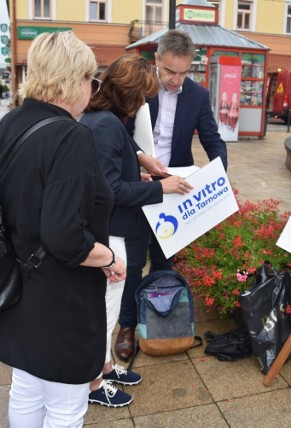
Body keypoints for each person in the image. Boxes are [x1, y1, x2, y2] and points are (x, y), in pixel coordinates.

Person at [0, 31, 126, 427]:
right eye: (92, 79)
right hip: (59, 297)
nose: (93, 88)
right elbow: (65, 238)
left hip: (10, 285)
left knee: (27, 386)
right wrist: (108, 257)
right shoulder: (71, 136)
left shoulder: (7, 124)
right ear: (75, 79)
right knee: (66, 403)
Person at [80, 54, 192, 407]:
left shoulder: (105, 120)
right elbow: (110, 191)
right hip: (111, 232)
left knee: (108, 307)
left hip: (113, 229)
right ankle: (94, 385)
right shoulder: (107, 126)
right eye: (142, 96)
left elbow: (110, 177)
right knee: (106, 310)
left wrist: (138, 170)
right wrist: (163, 187)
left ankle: (106, 366)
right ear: (128, 94)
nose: (144, 103)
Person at [115, 29, 228, 361]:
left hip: (176, 189)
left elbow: (212, 138)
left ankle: (160, 318)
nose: (177, 80)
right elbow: (119, 131)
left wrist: (220, 173)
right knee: (133, 261)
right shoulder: (138, 87)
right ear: (156, 62)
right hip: (139, 184)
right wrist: (137, 160)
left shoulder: (197, 94)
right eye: (169, 72)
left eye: (184, 72)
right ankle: (127, 326)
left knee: (165, 261)